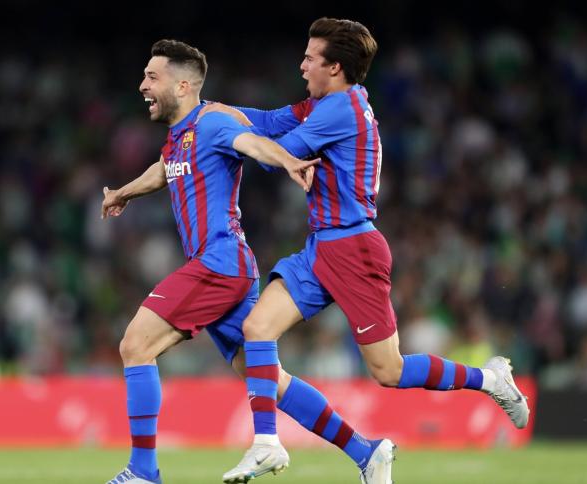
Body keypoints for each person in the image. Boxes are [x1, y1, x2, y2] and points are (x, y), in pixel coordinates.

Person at [202, 18, 531, 484]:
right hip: (321, 247)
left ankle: (490, 380)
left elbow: (280, 153)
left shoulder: (341, 108)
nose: (302, 67)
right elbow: (270, 121)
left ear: (335, 68)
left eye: (310, 59)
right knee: (257, 328)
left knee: (389, 371)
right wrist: (212, 111)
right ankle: (270, 443)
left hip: (354, 249)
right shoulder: (325, 104)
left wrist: (218, 134)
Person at [103, 39, 376, 484]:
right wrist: (123, 193)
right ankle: (366, 451)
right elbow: (164, 169)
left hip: (218, 263)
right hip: (231, 268)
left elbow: (251, 143)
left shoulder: (212, 123)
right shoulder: (180, 136)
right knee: (267, 376)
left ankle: (143, 471)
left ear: (183, 85)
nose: (142, 85)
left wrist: (287, 160)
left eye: (152, 77)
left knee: (136, 344)